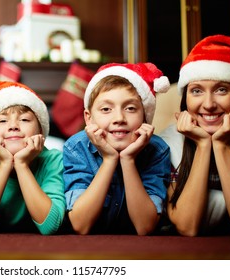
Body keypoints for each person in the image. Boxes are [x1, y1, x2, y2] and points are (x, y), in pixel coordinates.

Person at [63, 62, 171, 235]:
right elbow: (80, 224)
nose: (119, 118)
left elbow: (145, 226)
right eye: (106, 109)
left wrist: (127, 160)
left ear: (145, 116)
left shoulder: (157, 150)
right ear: (89, 118)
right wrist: (109, 159)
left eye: (130, 108)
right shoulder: (76, 147)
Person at [160, 35, 230, 237]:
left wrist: (222, 146)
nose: (208, 104)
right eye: (197, 91)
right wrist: (202, 145)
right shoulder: (166, 145)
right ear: (185, 101)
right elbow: (187, 226)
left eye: (221, 90)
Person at [0, 81, 66, 234]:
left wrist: (21, 164)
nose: (13, 126)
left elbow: (50, 226)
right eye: (3, 121)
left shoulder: (52, 159)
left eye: (24, 120)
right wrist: (4, 164)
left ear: (40, 132)